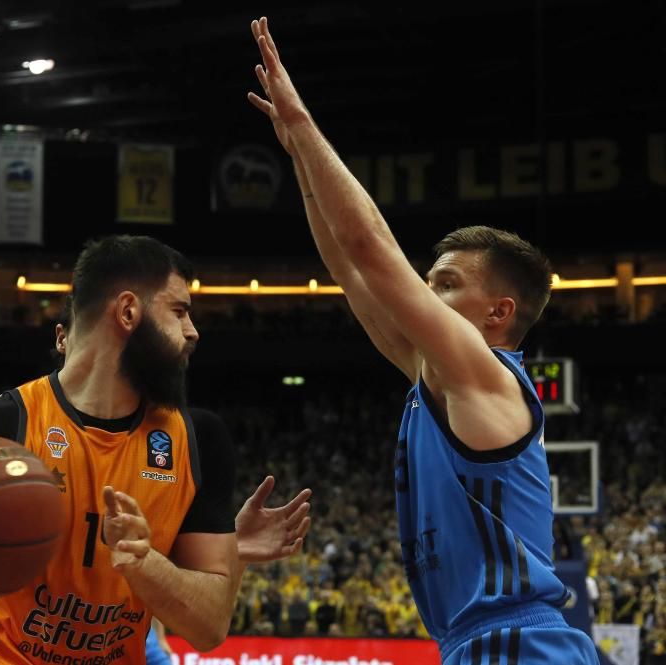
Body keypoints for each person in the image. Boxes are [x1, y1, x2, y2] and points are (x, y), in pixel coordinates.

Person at [247, 16, 599, 664]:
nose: (425, 295)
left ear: (499, 311)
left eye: (445, 284)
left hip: (522, 643)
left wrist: (304, 126)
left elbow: (371, 249)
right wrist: (300, 163)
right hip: (473, 642)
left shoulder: (486, 372)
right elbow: (349, 269)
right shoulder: (432, 374)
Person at [0, 235, 310, 665]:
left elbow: (210, 628)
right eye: (179, 311)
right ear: (129, 311)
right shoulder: (4, 423)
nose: (192, 332)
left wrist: (146, 563)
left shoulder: (199, 441)